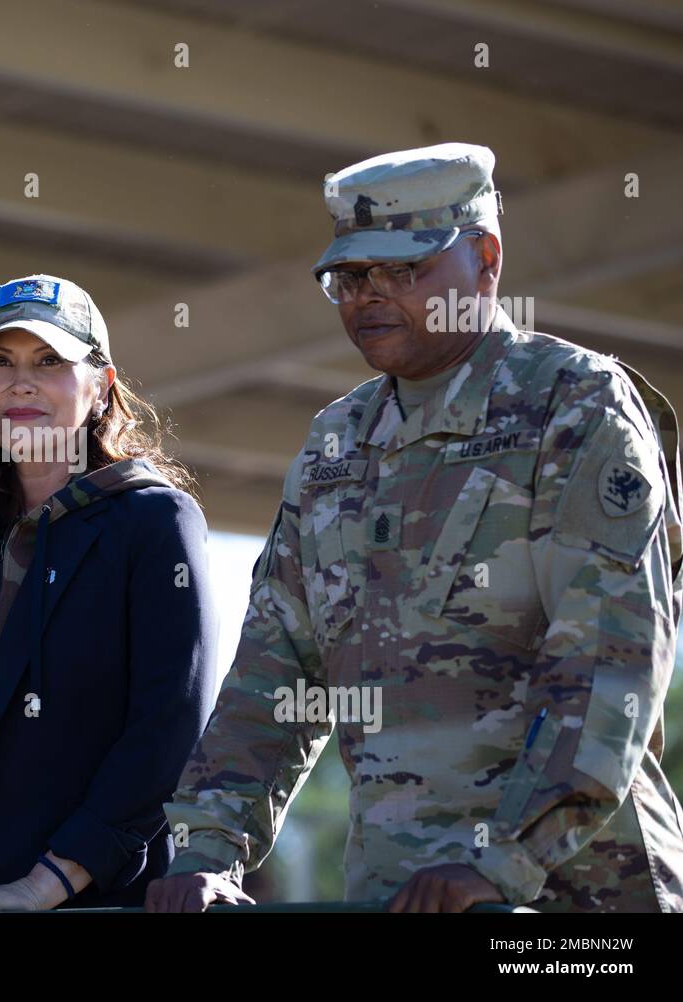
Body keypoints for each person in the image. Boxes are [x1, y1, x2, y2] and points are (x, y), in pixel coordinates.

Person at [149, 143, 683, 914]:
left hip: (577, 902)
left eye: (405, 271)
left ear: (486, 260)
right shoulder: (336, 442)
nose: (369, 296)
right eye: (351, 277)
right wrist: (206, 849)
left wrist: (500, 866)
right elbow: (278, 671)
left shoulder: (572, 404)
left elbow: (609, 665)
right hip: (396, 894)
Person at [0, 274, 219, 909]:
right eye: (1, 362)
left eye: (50, 361)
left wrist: (36, 889)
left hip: (98, 903)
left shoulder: (154, 522)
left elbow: (169, 732)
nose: (22, 382)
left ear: (101, 386)